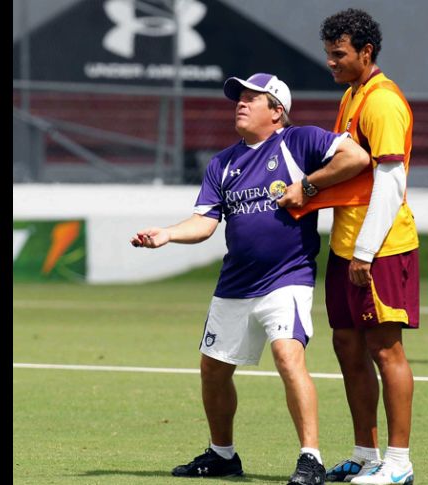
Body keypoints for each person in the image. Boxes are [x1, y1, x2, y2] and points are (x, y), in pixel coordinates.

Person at [131, 72, 370, 485]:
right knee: (212, 369)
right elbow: (205, 223)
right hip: (235, 284)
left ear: (277, 111)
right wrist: (167, 234)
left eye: (251, 98)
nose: (240, 104)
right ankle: (222, 454)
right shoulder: (222, 163)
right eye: (238, 98)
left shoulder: (299, 141)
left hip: (288, 277)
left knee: (288, 356)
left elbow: (357, 158)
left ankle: (310, 458)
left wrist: (308, 185)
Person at [284, 9, 419, 485]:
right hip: (346, 246)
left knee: (386, 350)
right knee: (347, 345)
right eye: (328, 53)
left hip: (380, 248)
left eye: (338, 54)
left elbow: (390, 180)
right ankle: (365, 454)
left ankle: (398, 463)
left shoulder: (383, 102)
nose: (331, 62)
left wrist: (365, 251)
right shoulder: (351, 95)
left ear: (366, 52)